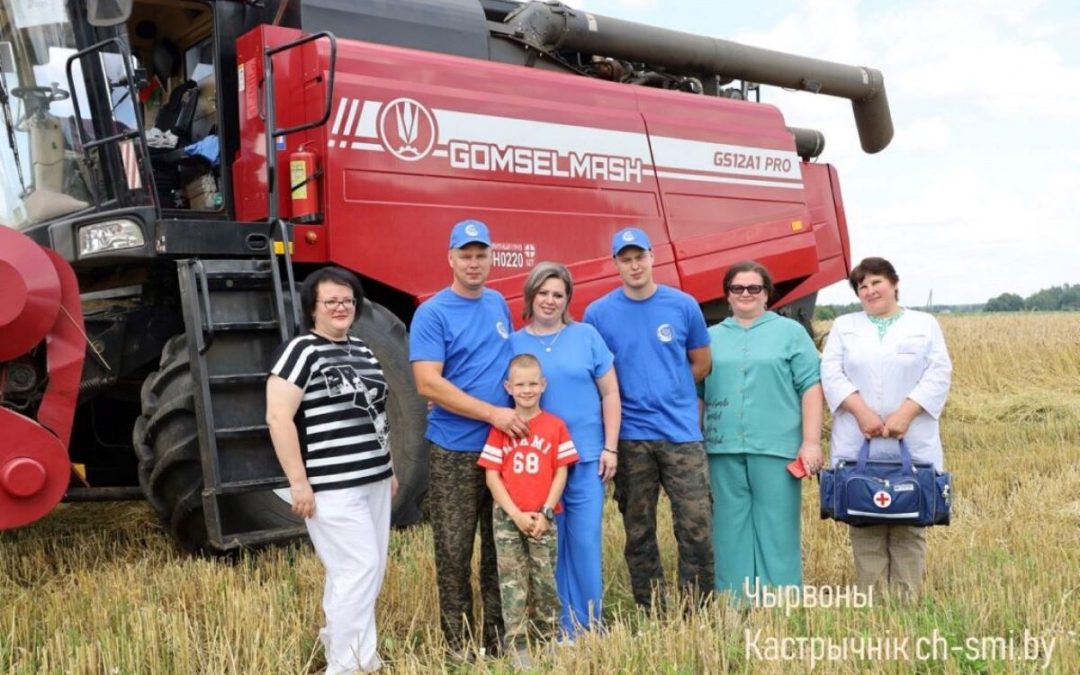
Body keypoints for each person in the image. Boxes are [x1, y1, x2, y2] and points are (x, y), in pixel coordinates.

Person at [265, 266, 396, 674]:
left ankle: (353, 654)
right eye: (331, 301)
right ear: (313, 309)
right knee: (359, 569)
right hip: (333, 486)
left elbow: (376, 413)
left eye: (347, 300)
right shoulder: (301, 351)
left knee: (363, 574)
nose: (341, 308)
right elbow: (277, 417)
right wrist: (298, 483)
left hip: (373, 479)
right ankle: (348, 666)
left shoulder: (361, 348)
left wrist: (388, 468)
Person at [409, 219, 527, 656]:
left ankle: (496, 641)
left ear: (491, 256)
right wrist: (493, 412)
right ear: (450, 258)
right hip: (455, 451)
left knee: (499, 550)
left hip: (502, 450)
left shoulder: (498, 303)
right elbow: (428, 384)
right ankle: (458, 646)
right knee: (455, 553)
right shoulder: (432, 313)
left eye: (481, 254)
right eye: (466, 254)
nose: (474, 263)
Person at [584, 227, 714, 609]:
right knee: (638, 530)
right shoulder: (598, 314)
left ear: (652, 257)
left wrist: (670, 389)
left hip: (681, 434)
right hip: (630, 437)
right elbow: (597, 375)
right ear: (616, 264)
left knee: (696, 526)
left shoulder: (683, 305)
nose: (634, 264)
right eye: (625, 259)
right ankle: (652, 606)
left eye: (639, 256)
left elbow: (702, 363)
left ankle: (697, 607)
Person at [820, 256, 952, 597]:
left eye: (875, 282)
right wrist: (861, 412)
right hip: (858, 438)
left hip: (912, 440)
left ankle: (906, 602)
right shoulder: (844, 326)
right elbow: (832, 373)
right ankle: (872, 601)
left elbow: (938, 373)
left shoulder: (924, 324)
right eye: (861, 286)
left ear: (894, 283)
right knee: (864, 518)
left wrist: (906, 413)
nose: (869, 290)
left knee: (910, 522)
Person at [699, 261, 823, 597]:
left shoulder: (790, 333)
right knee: (728, 527)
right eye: (738, 288)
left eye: (754, 288)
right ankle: (734, 601)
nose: (746, 294)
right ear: (727, 295)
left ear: (767, 294)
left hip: (776, 447)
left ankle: (780, 602)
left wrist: (811, 442)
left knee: (777, 526)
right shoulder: (709, 338)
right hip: (722, 447)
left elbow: (811, 386)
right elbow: (697, 393)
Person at [510, 262, 619, 639]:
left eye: (558, 294)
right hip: (540, 461)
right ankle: (559, 627)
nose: (550, 300)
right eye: (543, 293)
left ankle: (590, 622)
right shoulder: (514, 343)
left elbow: (610, 392)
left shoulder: (587, 336)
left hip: (588, 455)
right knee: (550, 543)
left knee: (586, 540)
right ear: (530, 296)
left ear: (567, 299)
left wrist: (611, 446)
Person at [478, 353, 580, 666]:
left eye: (533, 383)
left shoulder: (555, 426)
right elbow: (492, 476)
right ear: (508, 387)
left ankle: (548, 639)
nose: (527, 389)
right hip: (509, 518)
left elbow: (561, 471)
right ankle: (518, 647)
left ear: (543, 385)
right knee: (512, 583)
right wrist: (515, 514)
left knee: (545, 581)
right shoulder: (502, 427)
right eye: (520, 384)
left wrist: (546, 511)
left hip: (544, 518)